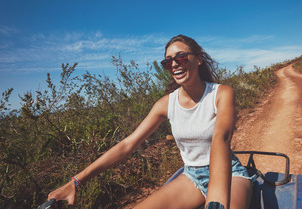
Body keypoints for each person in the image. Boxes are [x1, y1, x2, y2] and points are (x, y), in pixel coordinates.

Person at [48, 35, 255, 209]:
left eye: (181, 57)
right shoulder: (166, 104)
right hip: (191, 177)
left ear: (198, 59)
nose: (174, 64)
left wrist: (216, 201)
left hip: (228, 173)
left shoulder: (221, 93)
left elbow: (221, 139)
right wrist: (76, 181)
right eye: (168, 62)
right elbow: (128, 144)